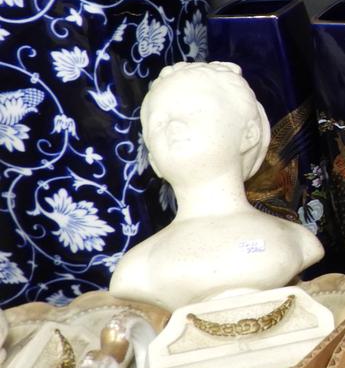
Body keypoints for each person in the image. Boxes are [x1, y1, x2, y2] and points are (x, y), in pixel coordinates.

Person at [110, 62, 324, 311]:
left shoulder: (295, 239)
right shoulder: (137, 269)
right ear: (153, 161)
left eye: (194, 111)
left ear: (249, 134)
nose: (173, 126)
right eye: (159, 122)